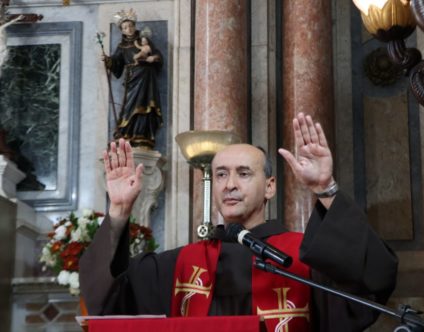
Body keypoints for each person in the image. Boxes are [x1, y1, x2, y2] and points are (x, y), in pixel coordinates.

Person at [79, 112, 398, 331]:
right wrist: (119, 209)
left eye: (244, 173)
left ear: (270, 186)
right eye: (220, 174)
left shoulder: (303, 259)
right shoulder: (180, 265)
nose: (229, 184)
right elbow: (106, 303)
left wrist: (325, 189)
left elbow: (374, 281)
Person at [103, 9, 163, 149]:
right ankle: (126, 133)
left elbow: (157, 55)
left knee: (146, 103)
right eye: (125, 27)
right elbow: (116, 62)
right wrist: (108, 60)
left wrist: (152, 58)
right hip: (132, 78)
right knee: (130, 105)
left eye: (130, 26)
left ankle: (142, 134)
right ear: (122, 31)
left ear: (134, 26)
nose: (128, 29)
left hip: (147, 77)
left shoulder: (143, 41)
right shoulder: (122, 46)